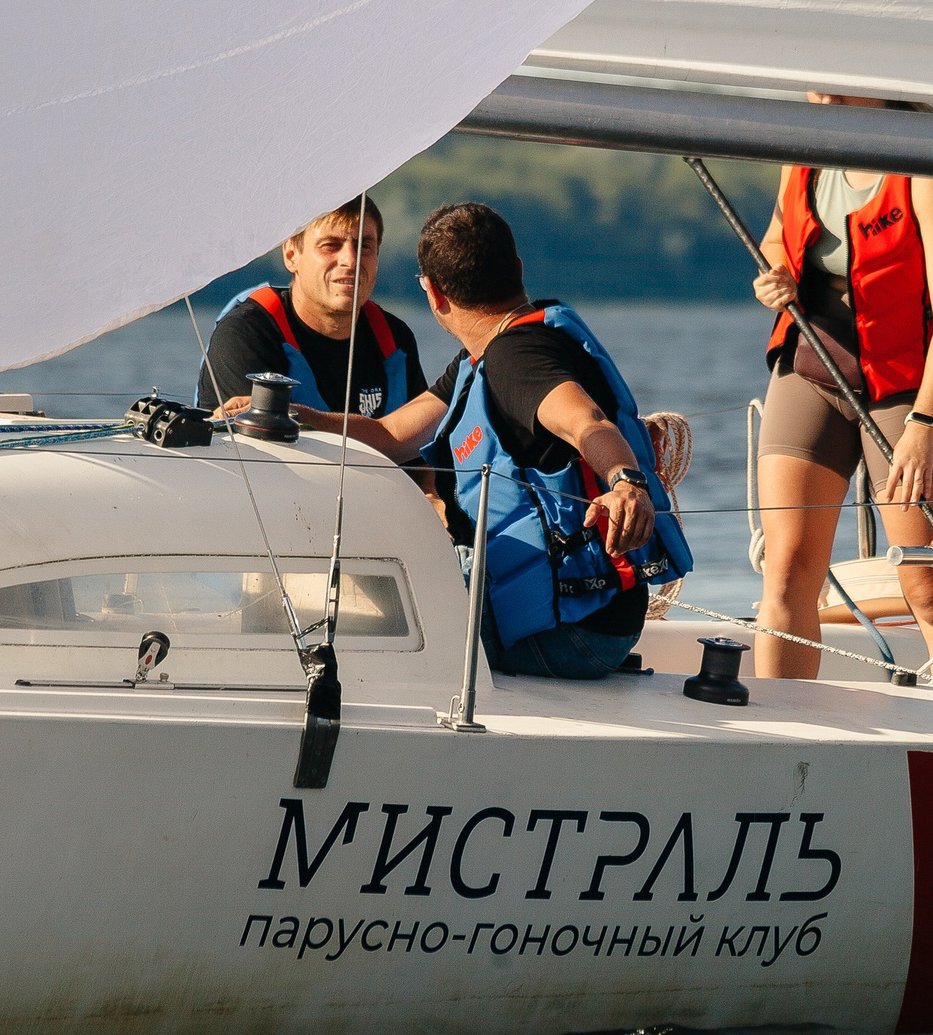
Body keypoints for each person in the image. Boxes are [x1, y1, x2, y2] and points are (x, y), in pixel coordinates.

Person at [264, 201, 692, 680]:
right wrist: (296, 416)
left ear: (435, 293)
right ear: (518, 270)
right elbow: (393, 435)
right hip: (595, 623)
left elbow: (586, 421)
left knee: (360, 619)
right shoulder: (485, 355)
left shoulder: (517, 361)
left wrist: (625, 481)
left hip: (567, 636)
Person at [747, 94, 933, 680]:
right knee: (787, 573)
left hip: (904, 386)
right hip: (812, 364)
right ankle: (787, 740)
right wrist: (778, 274)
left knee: (929, 585)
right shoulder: (804, 154)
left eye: (835, 86)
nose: (820, 98)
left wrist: (924, 425)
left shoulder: (926, 167)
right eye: (814, 86)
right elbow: (774, 239)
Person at [199, 197, 426, 420]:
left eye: (364, 246)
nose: (351, 260)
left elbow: (423, 449)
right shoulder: (245, 334)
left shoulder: (395, 340)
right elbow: (264, 449)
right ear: (291, 255)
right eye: (331, 245)